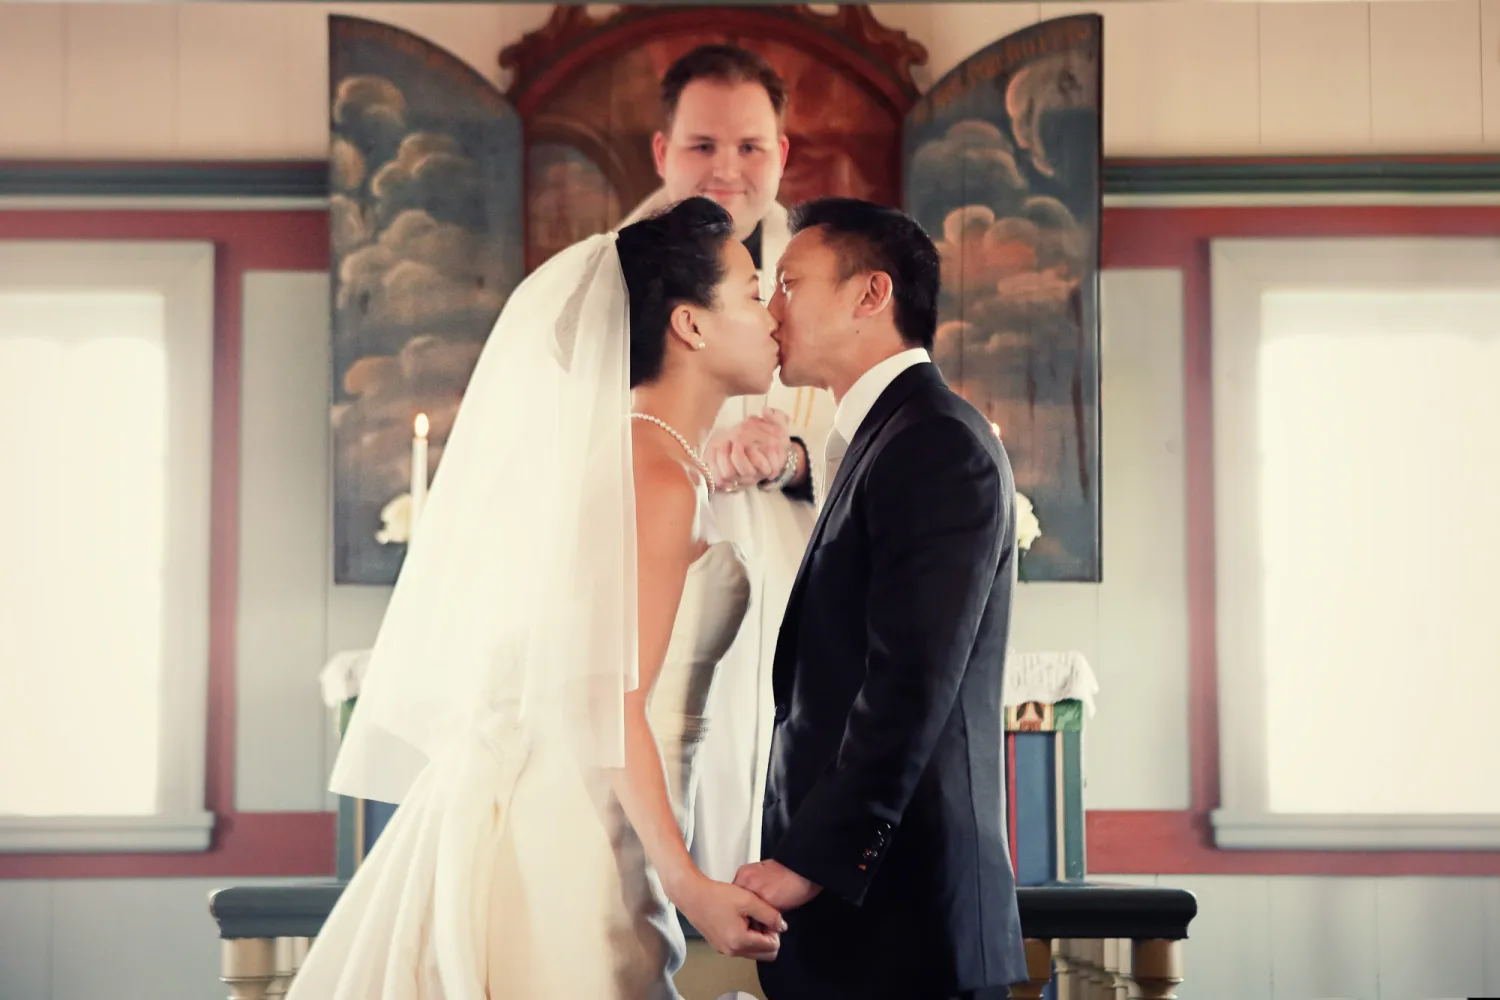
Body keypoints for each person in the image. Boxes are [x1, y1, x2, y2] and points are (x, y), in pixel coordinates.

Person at [286, 197, 790, 1000]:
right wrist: (690, 883)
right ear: (690, 325)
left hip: (607, 814)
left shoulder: (660, 460)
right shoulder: (651, 474)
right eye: (755, 292)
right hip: (578, 831)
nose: (774, 314)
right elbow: (610, 699)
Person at [733, 198, 1029, 1000]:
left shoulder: (935, 443)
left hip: (906, 923)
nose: (771, 308)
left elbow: (908, 685)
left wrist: (810, 860)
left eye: (790, 283)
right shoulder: (879, 438)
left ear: (871, 295)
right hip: (868, 926)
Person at [619, 42, 837, 885]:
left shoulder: (829, 273)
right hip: (650, 564)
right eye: (704, 145)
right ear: (662, 151)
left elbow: (872, 440)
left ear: (782, 153)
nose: (727, 170)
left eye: (751, 146)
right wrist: (666, 446)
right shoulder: (605, 282)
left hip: (789, 579)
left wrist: (791, 455)